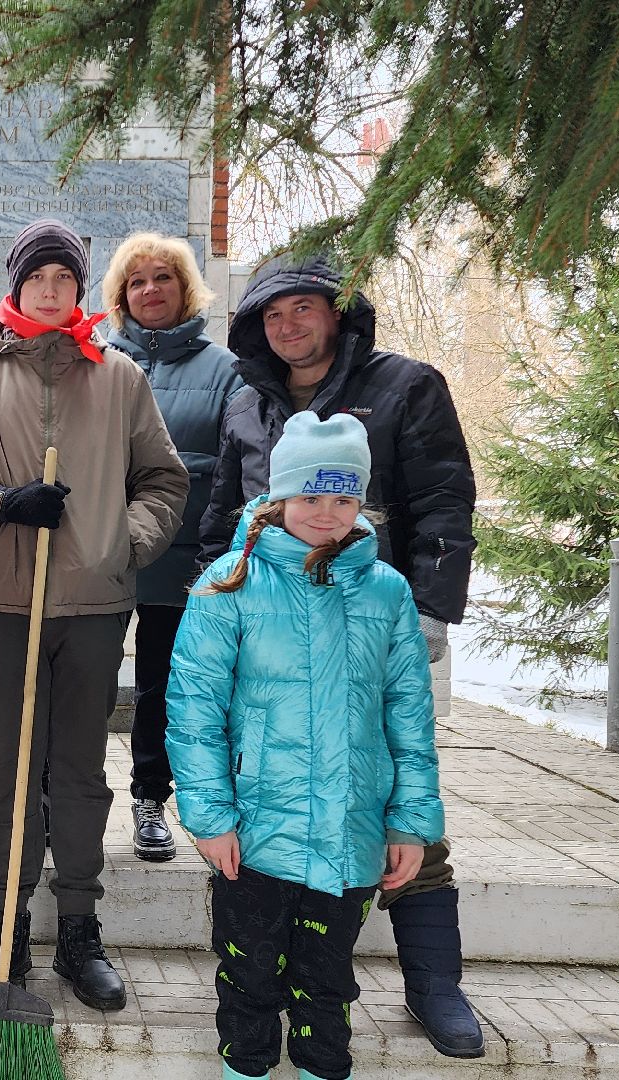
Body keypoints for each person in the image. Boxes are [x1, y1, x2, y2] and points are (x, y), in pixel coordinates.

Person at [197, 254, 483, 1057]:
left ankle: (435, 980)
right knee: (264, 789)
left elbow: (443, 498)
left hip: (374, 623)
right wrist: (217, 600)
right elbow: (227, 511)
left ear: (337, 313)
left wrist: (429, 609)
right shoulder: (249, 403)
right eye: (271, 316)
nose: (288, 326)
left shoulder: (404, 386)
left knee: (392, 788)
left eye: (303, 309)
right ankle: (255, 982)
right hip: (273, 636)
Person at [0, 219, 188, 1012]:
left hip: (94, 609)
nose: (54, 290)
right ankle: (5, 928)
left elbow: (163, 483)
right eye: (41, 278)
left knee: (78, 774)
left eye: (67, 278)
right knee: (9, 776)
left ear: (79, 290)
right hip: (1, 606)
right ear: (18, 287)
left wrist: (118, 544)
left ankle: (78, 929)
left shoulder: (121, 378)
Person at [168, 410, 444, 1080]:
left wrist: (410, 820)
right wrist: (210, 816)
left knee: (328, 985)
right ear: (279, 495)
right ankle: (247, 1071)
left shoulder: (386, 591)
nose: (327, 513)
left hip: (350, 833)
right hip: (258, 832)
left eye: (344, 498)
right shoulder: (229, 583)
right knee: (250, 978)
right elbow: (194, 710)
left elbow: (409, 714)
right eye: (311, 496)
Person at [100, 232, 246, 864]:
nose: (150, 290)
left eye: (163, 278)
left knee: (162, 685)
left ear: (186, 289)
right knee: (86, 681)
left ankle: (150, 800)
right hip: (103, 551)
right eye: (137, 281)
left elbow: (236, 457)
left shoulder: (224, 369)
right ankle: (56, 799)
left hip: (182, 556)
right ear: (120, 295)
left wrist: (167, 471)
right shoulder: (96, 358)